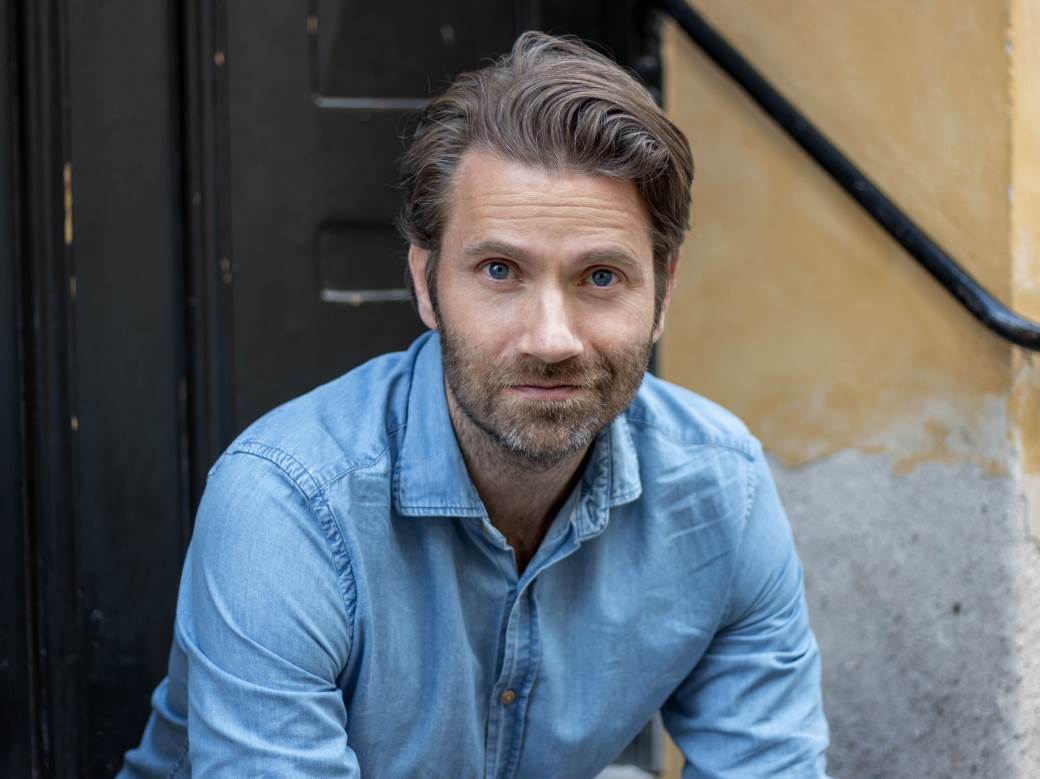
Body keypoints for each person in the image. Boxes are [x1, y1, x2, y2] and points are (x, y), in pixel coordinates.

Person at [120, 32, 829, 778]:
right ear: (425, 284)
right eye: (499, 270)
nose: (551, 340)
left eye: (600, 276)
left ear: (663, 294)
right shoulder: (288, 506)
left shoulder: (719, 491)